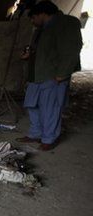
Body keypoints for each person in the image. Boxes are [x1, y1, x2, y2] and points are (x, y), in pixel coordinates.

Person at [17, 1, 82, 151]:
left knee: (50, 109)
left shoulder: (66, 23)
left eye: (33, 18)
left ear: (42, 14)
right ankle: (35, 133)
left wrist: (62, 74)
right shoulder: (41, 29)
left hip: (53, 75)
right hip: (36, 75)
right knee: (32, 105)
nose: (32, 21)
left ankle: (49, 138)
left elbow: (72, 50)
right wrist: (29, 55)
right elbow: (42, 50)